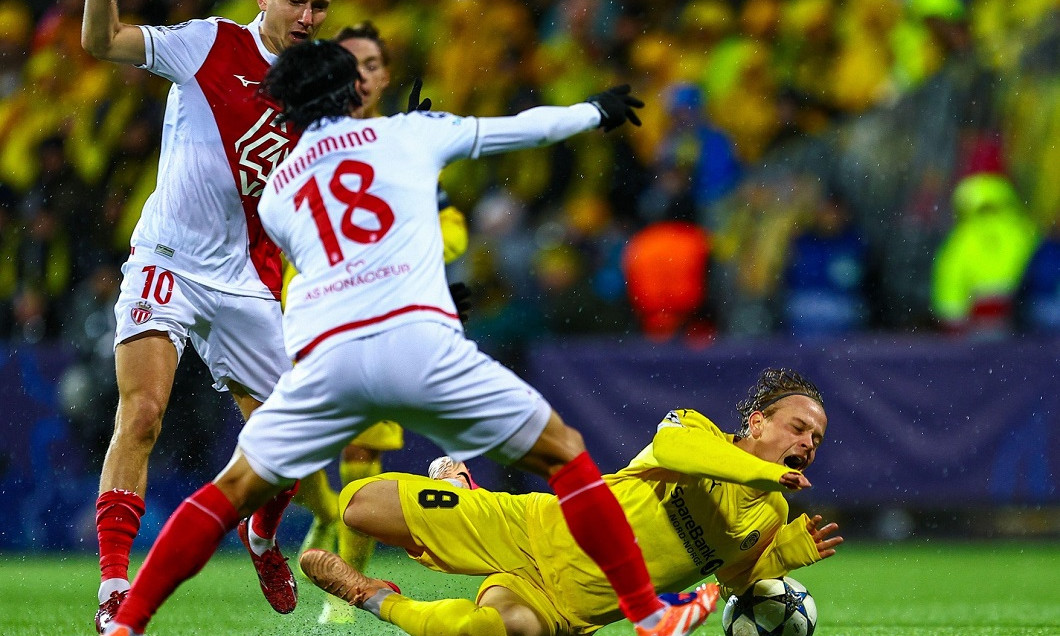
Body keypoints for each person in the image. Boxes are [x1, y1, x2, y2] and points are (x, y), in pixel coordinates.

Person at [100, 39, 720, 636]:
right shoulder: (406, 133)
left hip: (333, 357)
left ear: (287, 109)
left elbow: (325, 269)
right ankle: (648, 615)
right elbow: (517, 129)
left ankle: (128, 621)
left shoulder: (279, 193)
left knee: (231, 488)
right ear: (353, 94)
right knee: (563, 452)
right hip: (421, 346)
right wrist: (593, 112)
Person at [81, 0, 333, 630]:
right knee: (142, 413)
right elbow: (103, 41)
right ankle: (114, 589)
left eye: (322, 4)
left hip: (246, 280)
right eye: (297, 1)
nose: (308, 16)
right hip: (168, 259)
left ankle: (261, 535)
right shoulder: (208, 44)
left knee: (295, 442)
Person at [299, 367, 843, 636]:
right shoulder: (694, 430)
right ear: (756, 422)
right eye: (798, 428)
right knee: (358, 506)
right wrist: (763, 472)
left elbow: (732, 582)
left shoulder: (773, 514)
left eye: (816, 440)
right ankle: (464, 492)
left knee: (490, 631)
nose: (807, 445)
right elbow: (676, 449)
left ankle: (372, 596)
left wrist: (782, 557)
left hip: (567, 608)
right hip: (532, 529)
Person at [288, 22, 471, 624]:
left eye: (369, 65)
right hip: (301, 304)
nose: (359, 77)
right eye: (348, 65)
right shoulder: (294, 132)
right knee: (284, 446)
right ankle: (325, 511)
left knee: (361, 444)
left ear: (385, 76)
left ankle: (343, 593)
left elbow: (450, 228)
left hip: (374, 311)